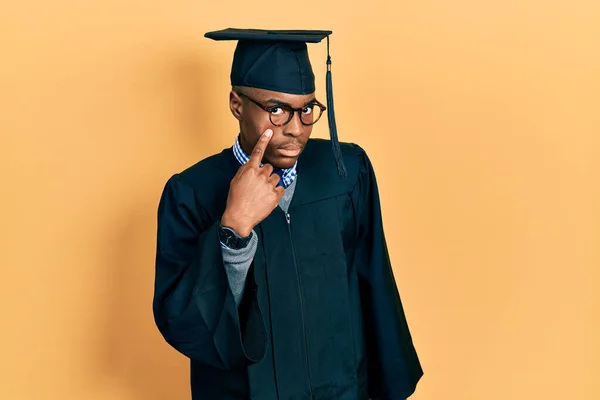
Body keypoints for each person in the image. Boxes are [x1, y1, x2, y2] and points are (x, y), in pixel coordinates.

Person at [152, 28, 423, 400]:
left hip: (343, 388)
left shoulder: (345, 171)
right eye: (276, 110)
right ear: (236, 104)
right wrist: (234, 228)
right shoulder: (192, 192)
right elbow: (182, 320)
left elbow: (374, 282)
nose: (296, 130)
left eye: (307, 109)